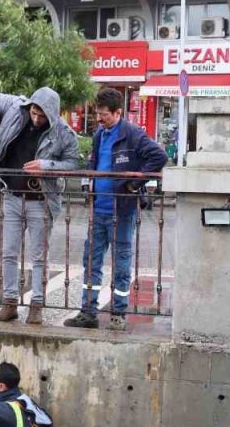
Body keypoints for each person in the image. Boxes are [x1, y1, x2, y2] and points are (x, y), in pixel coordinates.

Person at [0, 87, 81, 324]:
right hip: (12, 196)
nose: (37, 118)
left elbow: (72, 164)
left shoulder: (64, 133)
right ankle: (9, 303)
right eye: (34, 112)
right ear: (30, 106)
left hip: (41, 200)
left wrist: (46, 165)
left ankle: (36, 305)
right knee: (9, 252)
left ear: (52, 114)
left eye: (42, 116)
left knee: (39, 257)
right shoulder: (15, 107)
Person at [65, 88, 166, 331]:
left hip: (121, 210)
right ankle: (88, 311)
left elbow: (158, 156)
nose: (99, 119)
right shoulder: (100, 133)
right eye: (98, 114)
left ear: (118, 112)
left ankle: (118, 313)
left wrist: (133, 183)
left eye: (104, 115)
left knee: (121, 263)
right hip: (98, 209)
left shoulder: (133, 134)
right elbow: (95, 161)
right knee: (91, 261)